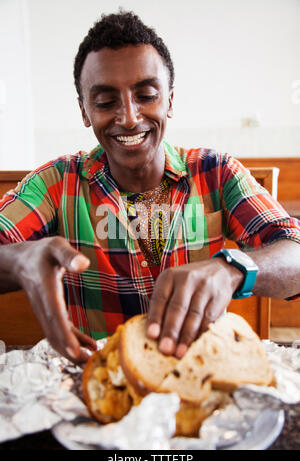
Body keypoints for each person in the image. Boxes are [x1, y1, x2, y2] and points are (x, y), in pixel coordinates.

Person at [0, 10, 300, 365]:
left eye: (146, 95)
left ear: (169, 101)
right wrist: (17, 259)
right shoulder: (55, 183)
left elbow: (294, 252)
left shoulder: (216, 172)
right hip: (101, 385)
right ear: (84, 111)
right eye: (105, 101)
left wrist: (231, 267)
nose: (128, 117)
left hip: (201, 378)